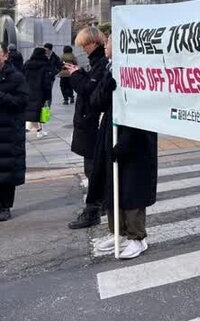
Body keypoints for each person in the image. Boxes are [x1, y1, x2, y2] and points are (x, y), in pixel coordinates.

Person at [91, 34, 158, 259]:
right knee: (113, 187)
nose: (105, 46)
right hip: (110, 134)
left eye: (108, 42)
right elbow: (96, 102)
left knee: (132, 188)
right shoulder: (109, 68)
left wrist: (126, 141)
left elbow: (141, 109)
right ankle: (118, 232)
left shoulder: (139, 71)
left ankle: (137, 238)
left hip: (135, 140)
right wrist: (106, 86)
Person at [65, 27, 109, 229]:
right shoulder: (97, 63)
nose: (83, 49)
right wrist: (80, 72)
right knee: (92, 168)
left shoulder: (102, 64)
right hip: (90, 124)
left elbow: (90, 91)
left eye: (85, 45)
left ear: (95, 43)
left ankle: (94, 209)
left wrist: (76, 76)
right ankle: (101, 206)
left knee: (94, 169)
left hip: (94, 124)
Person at [0, 42, 29, 221]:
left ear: (5, 56)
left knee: (7, 171)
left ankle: (5, 206)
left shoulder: (16, 77)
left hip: (8, 132)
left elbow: (21, 102)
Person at [23, 47, 52, 138]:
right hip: (40, 91)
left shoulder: (27, 64)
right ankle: (39, 131)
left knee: (31, 110)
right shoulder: (44, 65)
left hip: (28, 90)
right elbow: (46, 82)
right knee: (40, 111)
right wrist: (48, 95)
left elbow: (22, 77)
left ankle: (34, 129)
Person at [44, 43, 62, 107]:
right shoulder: (42, 56)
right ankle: (43, 106)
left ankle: (48, 107)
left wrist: (53, 73)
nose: (45, 51)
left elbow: (60, 67)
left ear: (50, 50)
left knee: (48, 92)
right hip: (42, 77)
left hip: (50, 78)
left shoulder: (55, 57)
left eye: (46, 49)